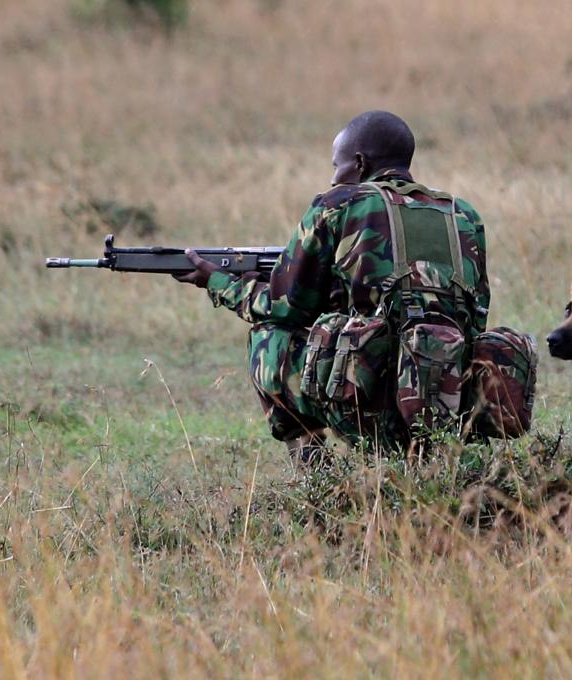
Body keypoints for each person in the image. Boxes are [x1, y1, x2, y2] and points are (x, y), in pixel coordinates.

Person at [174, 110, 493, 462]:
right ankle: (437, 460)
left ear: (358, 162)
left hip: (367, 406)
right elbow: (477, 319)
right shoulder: (463, 214)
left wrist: (216, 281)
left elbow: (282, 306)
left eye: (336, 166)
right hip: (454, 408)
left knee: (269, 334)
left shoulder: (338, 205)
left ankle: (314, 468)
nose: (332, 178)